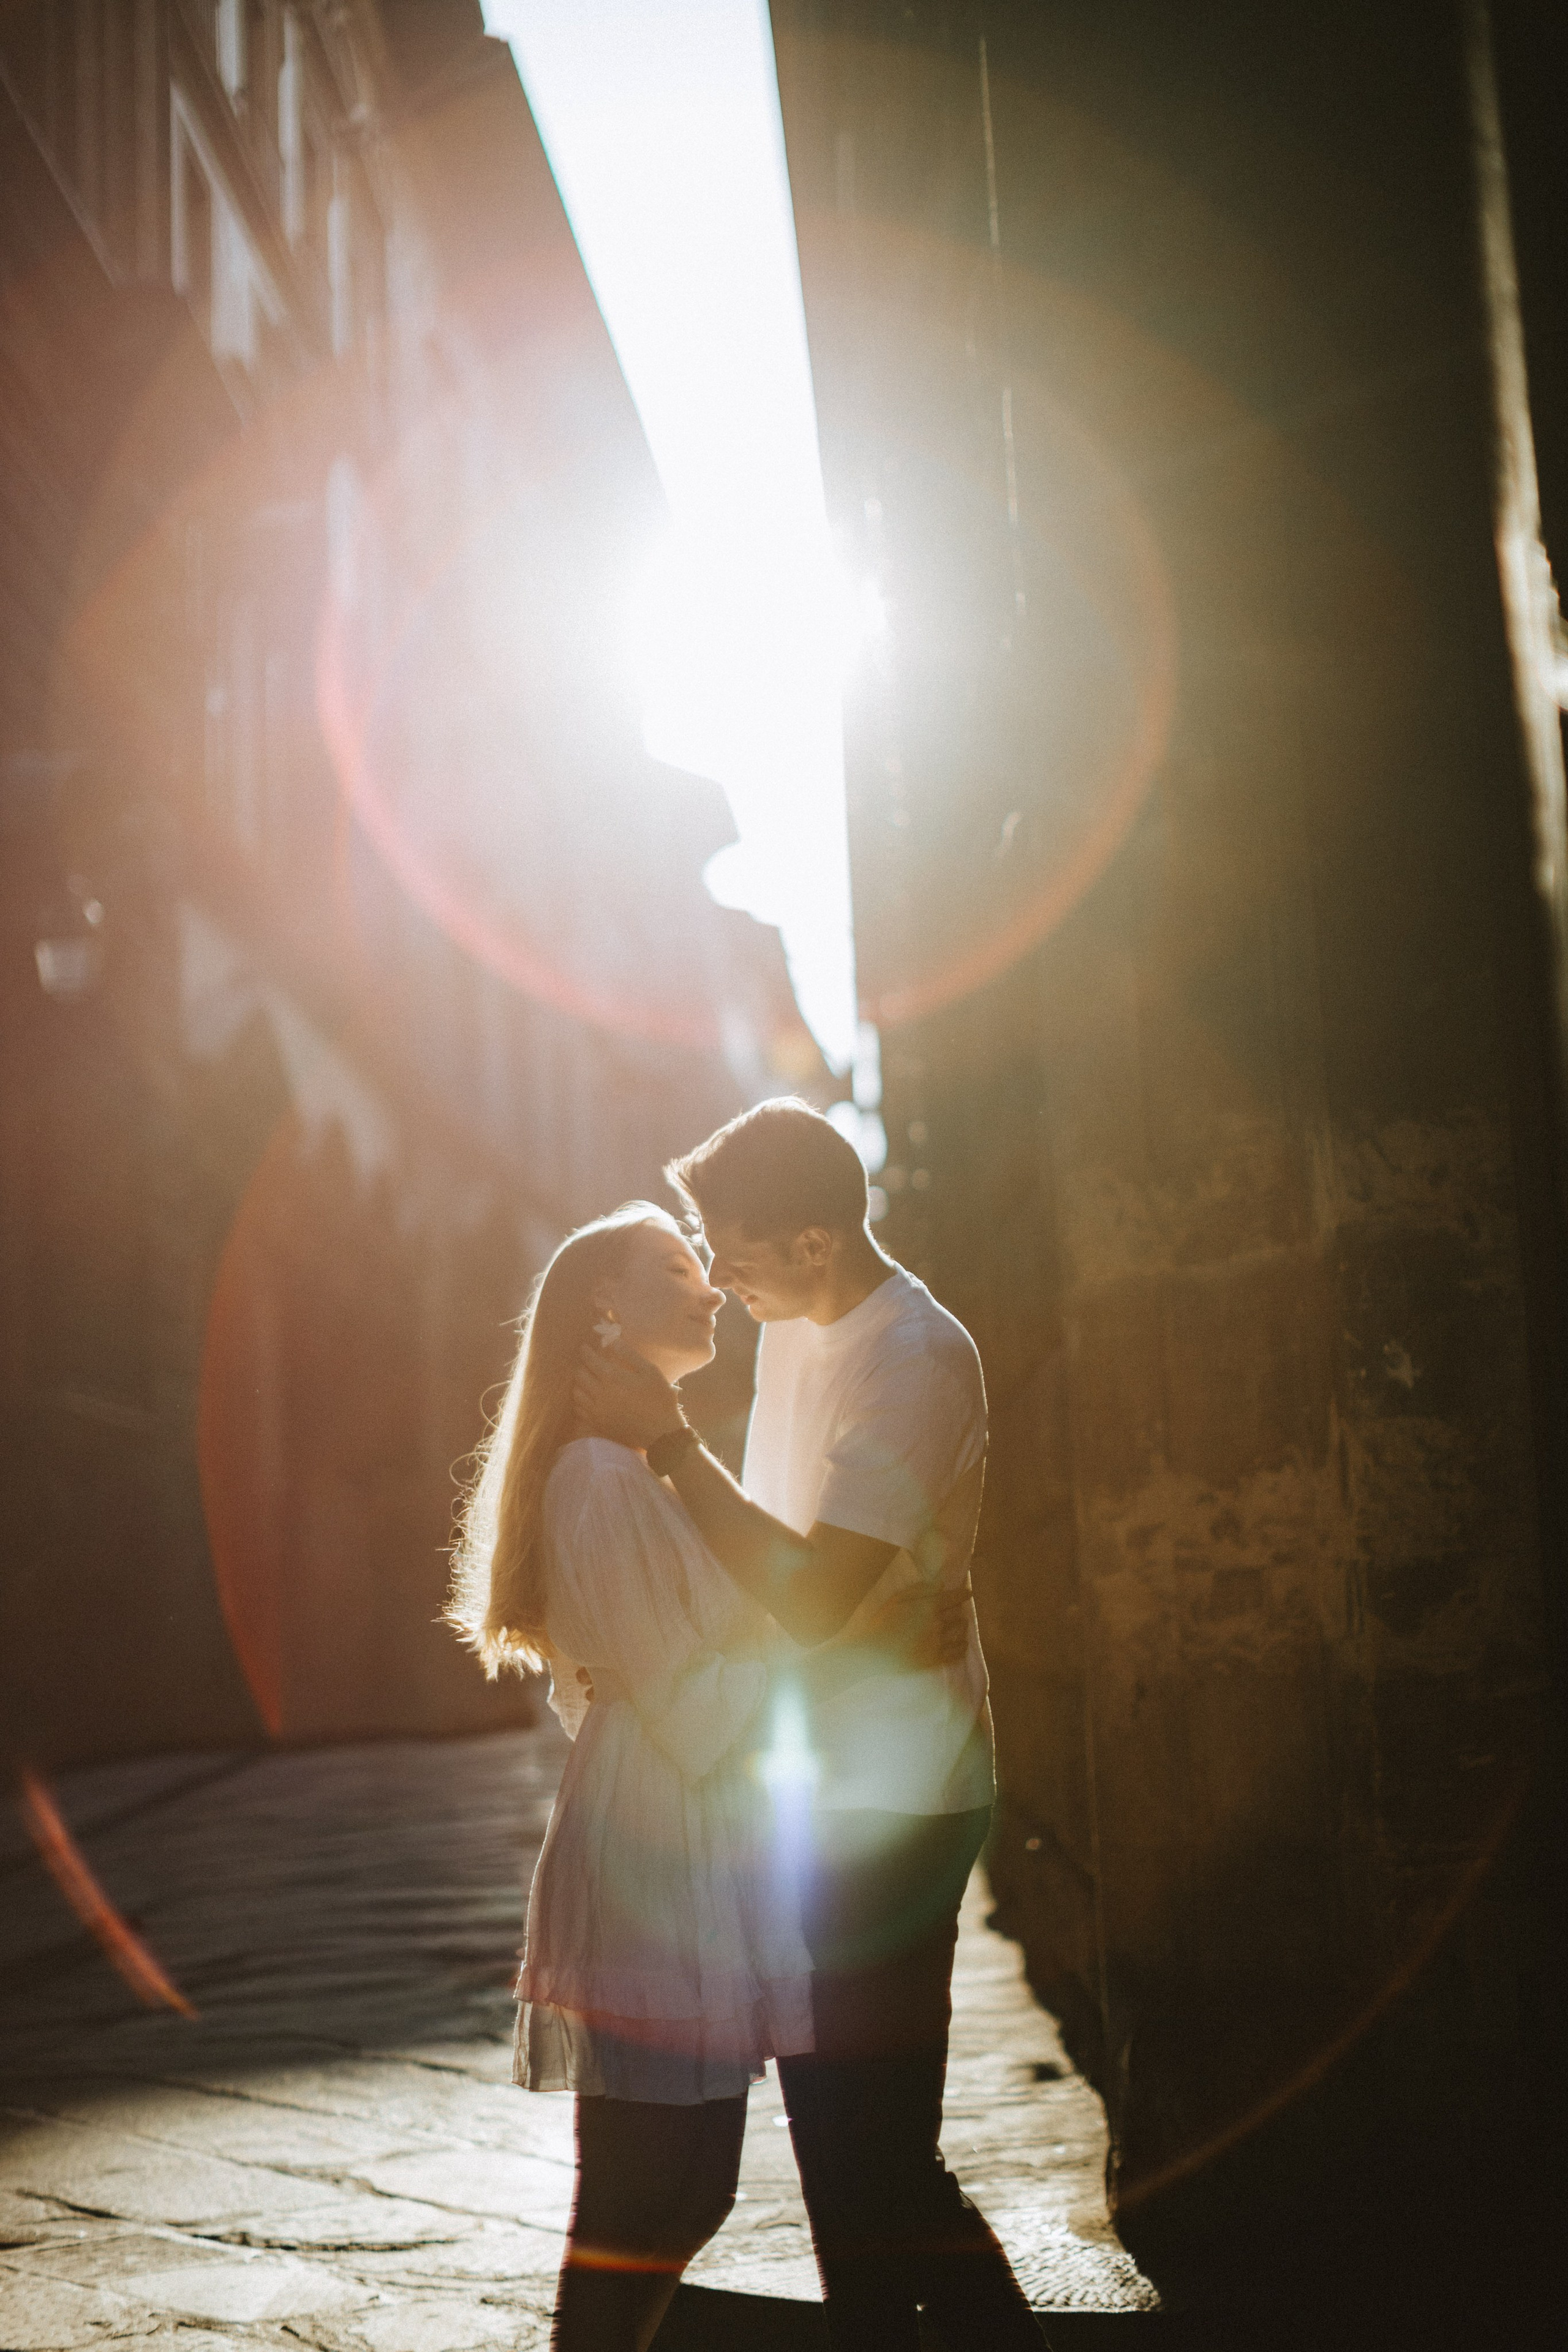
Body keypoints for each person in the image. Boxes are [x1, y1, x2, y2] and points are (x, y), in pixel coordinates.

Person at [447, 1198, 959, 2352]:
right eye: (679, 1266)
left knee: (689, 2192)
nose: (712, 1286)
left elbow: (614, 1681)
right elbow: (681, 1703)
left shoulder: (631, 1467)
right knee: (640, 2200)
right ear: (607, 1311)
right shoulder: (598, 1475)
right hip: (656, 1855)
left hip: (686, 1841)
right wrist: (837, 1646)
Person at [576, 1102, 1045, 2351]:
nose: (715, 1277)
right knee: (844, 2159)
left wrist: (669, 1449)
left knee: (878, 2155)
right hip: (813, 1785)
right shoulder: (799, 1332)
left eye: (727, 1248)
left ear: (811, 1243)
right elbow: (776, 1564)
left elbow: (819, 1591)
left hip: (901, 1796)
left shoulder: (913, 1360)